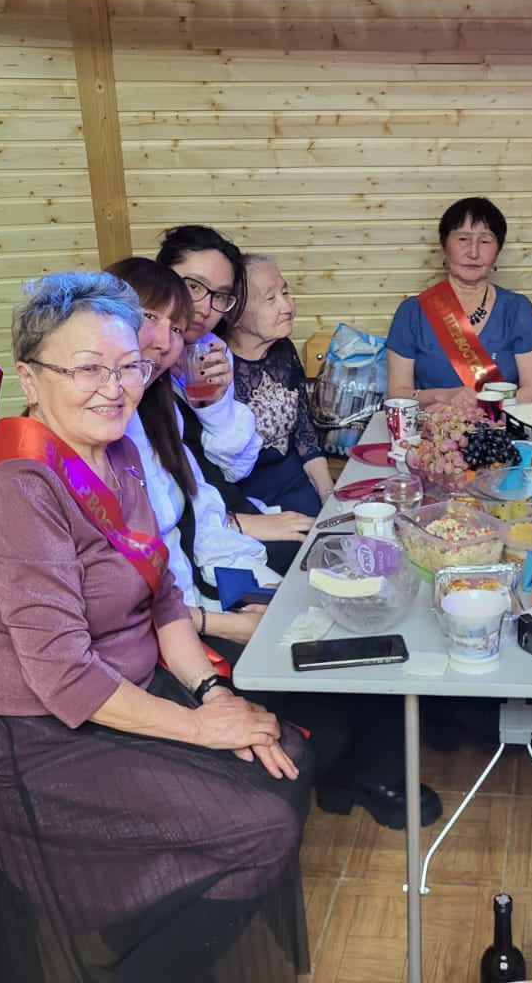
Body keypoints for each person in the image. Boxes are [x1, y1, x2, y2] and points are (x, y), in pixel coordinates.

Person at [0, 272, 311, 983]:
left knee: (286, 755)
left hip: (120, 689)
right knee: (261, 823)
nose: (114, 389)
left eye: (128, 367)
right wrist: (203, 728)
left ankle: (153, 941)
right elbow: (66, 677)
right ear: (30, 377)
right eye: (87, 369)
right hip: (31, 735)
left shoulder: (118, 452)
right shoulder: (19, 487)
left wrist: (211, 693)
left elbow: (162, 593)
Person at [105, 257, 444, 830]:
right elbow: (134, 585)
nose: (165, 338)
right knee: (345, 629)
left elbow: (199, 511)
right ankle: (366, 767)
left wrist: (249, 565)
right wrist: (227, 614)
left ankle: (374, 763)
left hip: (207, 583)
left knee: (365, 589)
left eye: (176, 322)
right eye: (150, 318)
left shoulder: (155, 407)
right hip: (181, 626)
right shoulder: (101, 433)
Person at [156, 225, 313, 572]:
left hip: (216, 503)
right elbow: (152, 484)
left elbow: (230, 466)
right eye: (193, 286)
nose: (203, 308)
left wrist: (215, 406)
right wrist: (234, 521)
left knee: (310, 551)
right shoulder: (136, 363)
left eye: (220, 296)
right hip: (183, 526)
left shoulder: (210, 352)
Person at [386, 197, 532, 404]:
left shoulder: (517, 309)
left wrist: (481, 408)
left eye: (485, 241)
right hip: (431, 422)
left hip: (499, 421)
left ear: (498, 250)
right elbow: (397, 392)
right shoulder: (412, 312)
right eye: (463, 239)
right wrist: (442, 396)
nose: (473, 252)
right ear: (444, 245)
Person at [227, 254, 334, 517]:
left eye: (285, 292)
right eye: (270, 298)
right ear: (234, 312)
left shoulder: (282, 351)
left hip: (293, 484)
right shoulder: (213, 364)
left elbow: (306, 436)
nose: (287, 306)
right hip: (240, 500)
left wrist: (328, 497)